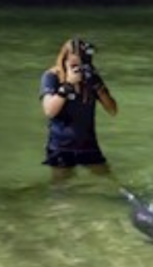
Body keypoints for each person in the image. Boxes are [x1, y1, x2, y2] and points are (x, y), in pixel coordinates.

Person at [39, 37, 118, 182]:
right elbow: (49, 111)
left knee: (108, 182)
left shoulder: (90, 77)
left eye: (82, 63)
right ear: (64, 59)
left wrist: (98, 88)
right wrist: (67, 85)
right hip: (61, 147)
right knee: (62, 190)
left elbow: (113, 110)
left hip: (89, 145)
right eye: (74, 63)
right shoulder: (52, 77)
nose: (78, 68)